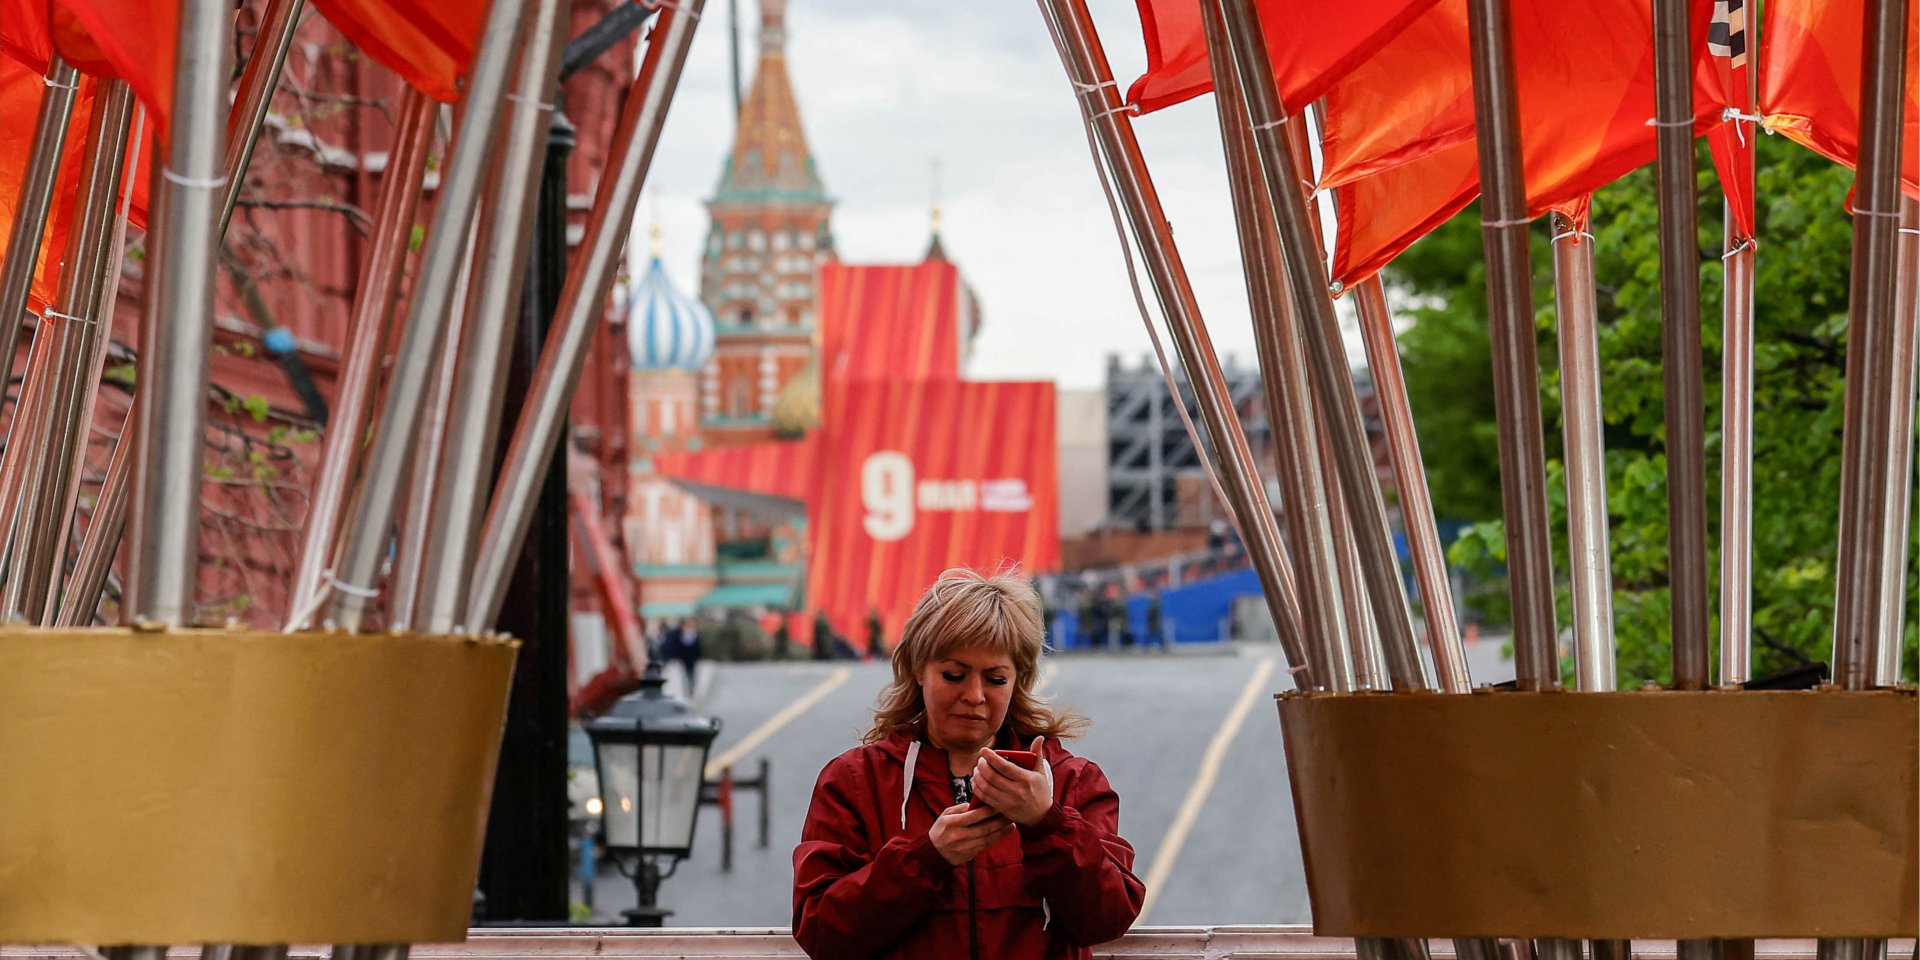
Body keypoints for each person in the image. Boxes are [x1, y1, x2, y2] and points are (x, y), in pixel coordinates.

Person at [792, 568, 1144, 959]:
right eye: (954, 675)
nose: (974, 696)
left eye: (995, 680)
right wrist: (927, 858)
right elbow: (821, 931)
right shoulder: (856, 781)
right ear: (916, 669)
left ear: (1019, 680)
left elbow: (1107, 920)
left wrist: (1047, 823)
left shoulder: (1070, 780)